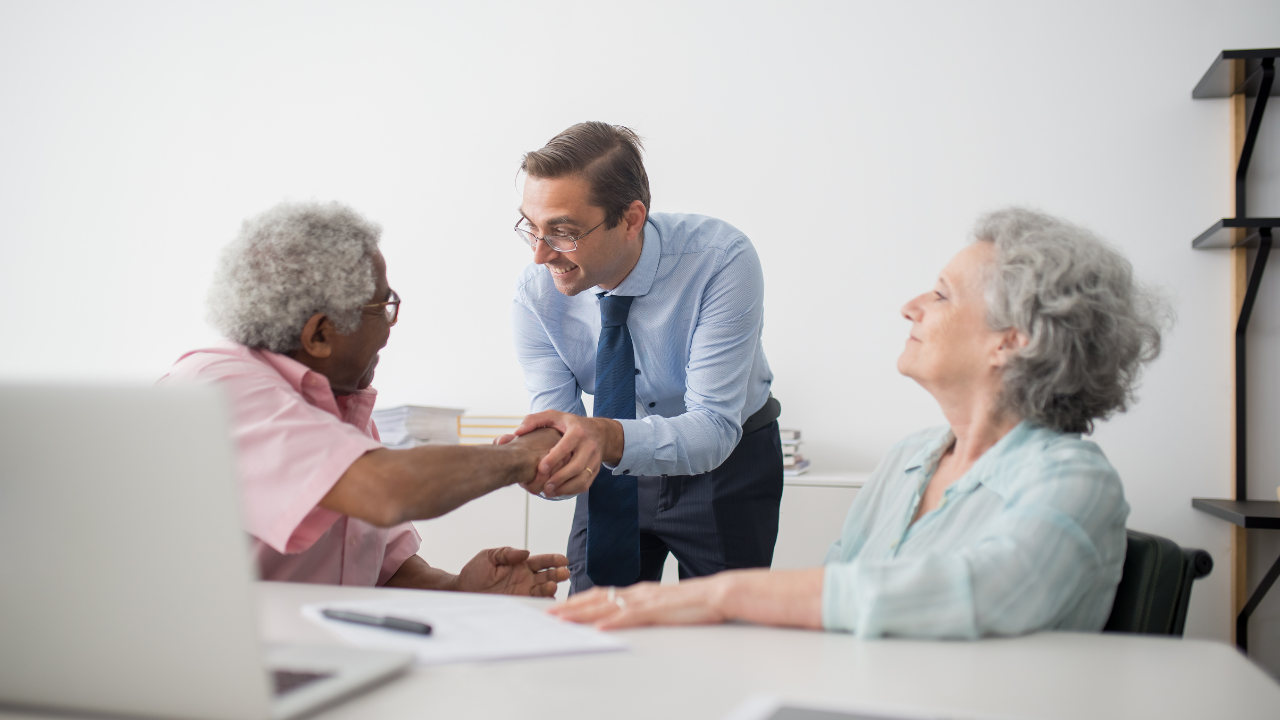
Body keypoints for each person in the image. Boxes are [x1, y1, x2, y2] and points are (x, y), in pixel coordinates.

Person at [551, 207, 1168, 638]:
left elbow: (972, 594)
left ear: (1011, 340)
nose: (912, 305)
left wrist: (716, 595)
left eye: (943, 294)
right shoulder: (912, 459)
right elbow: (840, 601)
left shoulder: (1074, 480)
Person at [161, 201, 569, 596]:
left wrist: (458, 588)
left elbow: (378, 568)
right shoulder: (217, 391)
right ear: (320, 334)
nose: (390, 327)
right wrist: (524, 454)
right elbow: (387, 491)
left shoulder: (334, 405)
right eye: (383, 306)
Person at [506, 122, 783, 593]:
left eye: (563, 232)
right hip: (611, 463)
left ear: (631, 219)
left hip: (727, 462)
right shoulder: (536, 295)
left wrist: (598, 439)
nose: (539, 255)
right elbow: (563, 430)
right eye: (531, 228)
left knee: (727, 633)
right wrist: (541, 464)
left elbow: (713, 427)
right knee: (594, 621)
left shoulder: (721, 260)